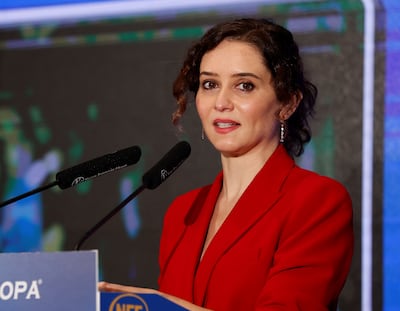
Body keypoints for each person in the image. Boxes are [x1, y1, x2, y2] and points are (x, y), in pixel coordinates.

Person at [100, 18, 354, 310]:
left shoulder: (317, 201)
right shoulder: (183, 212)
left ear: (287, 103)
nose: (221, 101)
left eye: (244, 85)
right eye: (210, 84)